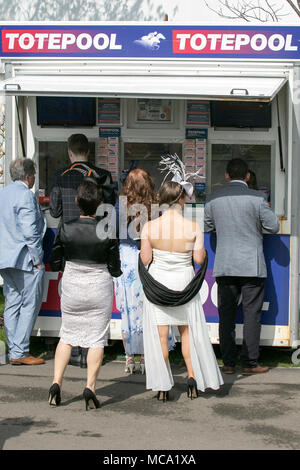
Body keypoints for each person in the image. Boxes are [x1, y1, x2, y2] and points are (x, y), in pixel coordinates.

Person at [140, 180, 223, 401]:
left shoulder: (149, 227)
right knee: (187, 333)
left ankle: (163, 385)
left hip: (158, 284)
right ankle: (193, 378)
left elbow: (146, 259)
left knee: (161, 336)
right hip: (184, 283)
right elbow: (198, 259)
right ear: (181, 200)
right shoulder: (192, 227)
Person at [49, 179, 122, 410]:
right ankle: (90, 387)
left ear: (76, 201)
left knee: (67, 335)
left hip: (72, 285)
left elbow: (56, 260)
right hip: (98, 286)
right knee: (96, 339)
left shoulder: (66, 226)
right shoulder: (107, 230)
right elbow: (115, 267)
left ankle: (56, 384)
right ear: (100, 204)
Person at [204, 158, 280, 375]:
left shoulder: (213, 199)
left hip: (225, 265)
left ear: (226, 176)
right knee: (252, 315)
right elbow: (273, 227)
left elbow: (208, 226)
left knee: (225, 316)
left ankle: (228, 363)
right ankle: (250, 363)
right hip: (251, 265)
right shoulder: (258, 198)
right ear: (247, 176)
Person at [49, 133, 116, 367]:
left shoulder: (60, 176)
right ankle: (90, 351)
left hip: (68, 243)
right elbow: (110, 210)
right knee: (94, 300)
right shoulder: (103, 176)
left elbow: (55, 212)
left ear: (69, 152)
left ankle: (74, 350)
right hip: (96, 241)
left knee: (72, 300)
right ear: (89, 152)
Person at [0, 158, 46, 365]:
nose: (35, 178)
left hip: (5, 259)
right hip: (25, 259)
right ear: (28, 176)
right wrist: (37, 259)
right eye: (34, 174)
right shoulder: (26, 196)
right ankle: (20, 351)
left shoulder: (3, 194)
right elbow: (31, 232)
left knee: (12, 303)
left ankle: (14, 349)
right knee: (29, 304)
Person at [114, 168, 156, 374]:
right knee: (147, 309)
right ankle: (147, 358)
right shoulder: (155, 206)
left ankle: (129, 359)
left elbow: (112, 231)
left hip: (126, 259)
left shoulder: (120, 205)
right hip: (147, 257)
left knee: (128, 310)